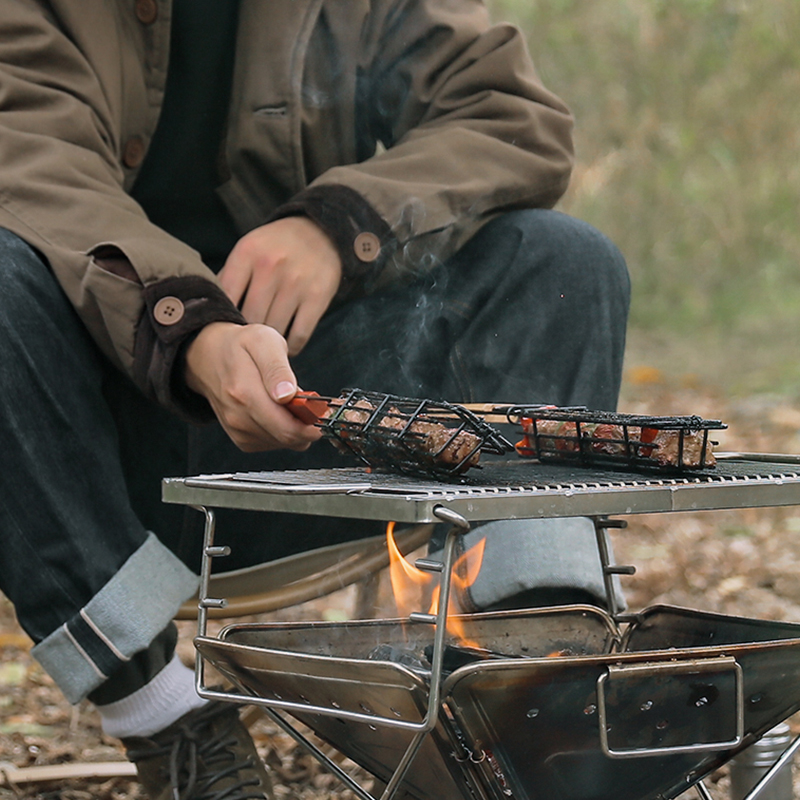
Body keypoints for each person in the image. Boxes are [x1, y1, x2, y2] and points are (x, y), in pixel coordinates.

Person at [0, 1, 630, 798]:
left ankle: (519, 680)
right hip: (77, 458)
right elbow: (25, 161)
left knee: (564, 262)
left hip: (314, 423)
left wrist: (343, 225)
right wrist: (185, 324)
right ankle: (167, 721)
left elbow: (506, 116)